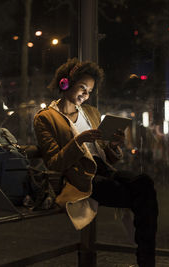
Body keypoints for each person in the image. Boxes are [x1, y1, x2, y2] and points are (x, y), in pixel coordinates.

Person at [33, 58, 158, 267]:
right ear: (65, 84)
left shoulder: (90, 112)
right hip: (81, 177)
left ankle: (146, 260)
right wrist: (79, 141)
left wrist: (115, 146)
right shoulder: (45, 118)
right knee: (142, 199)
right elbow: (54, 163)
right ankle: (146, 261)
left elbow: (105, 156)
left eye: (89, 91)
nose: (85, 94)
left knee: (144, 182)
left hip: (103, 169)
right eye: (82, 88)